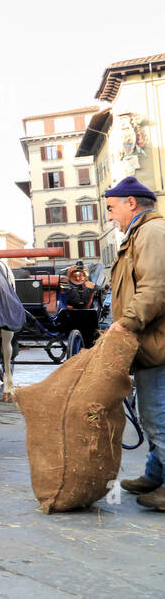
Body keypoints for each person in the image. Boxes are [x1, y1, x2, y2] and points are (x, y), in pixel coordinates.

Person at [105, 176, 165, 511]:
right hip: (152, 340)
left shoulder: (151, 233)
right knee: (155, 413)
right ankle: (155, 474)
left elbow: (156, 289)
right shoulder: (143, 233)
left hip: (157, 342)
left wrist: (125, 324)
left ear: (131, 203)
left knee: (158, 416)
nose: (110, 216)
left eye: (112, 208)